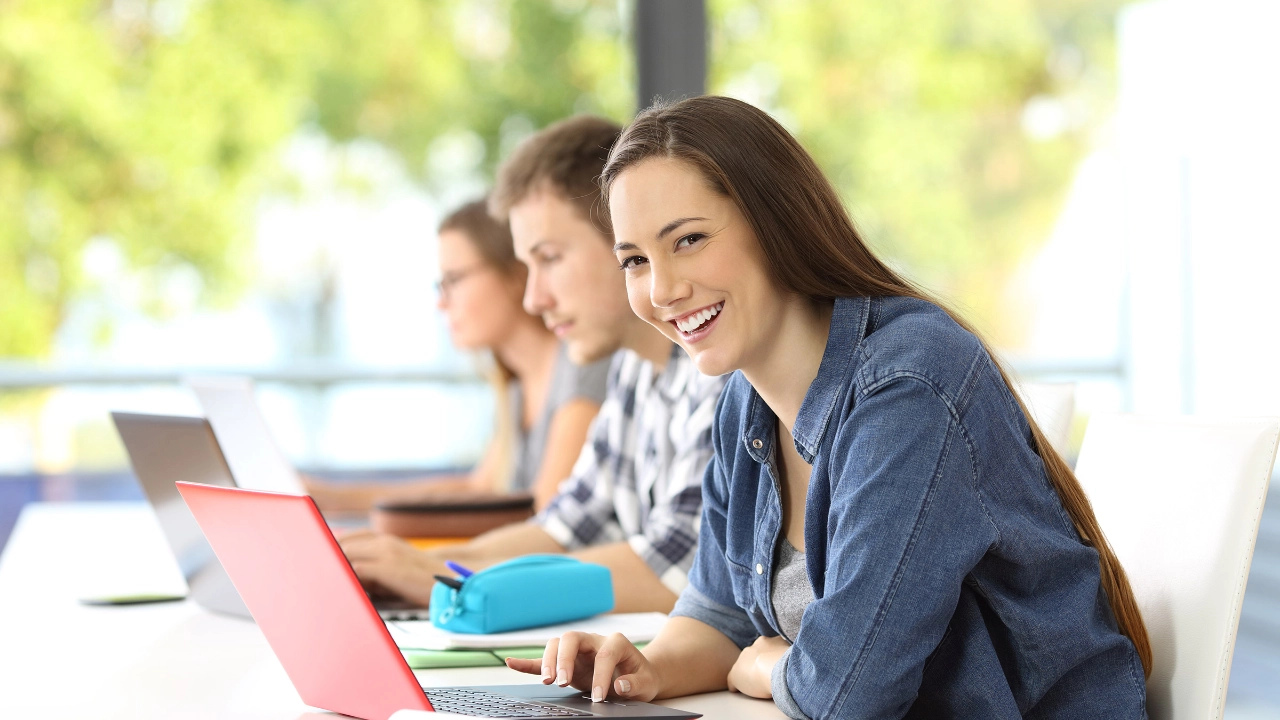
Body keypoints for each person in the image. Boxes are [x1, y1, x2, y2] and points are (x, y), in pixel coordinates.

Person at [505, 96, 1152, 718]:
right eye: (636, 260)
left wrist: (768, 668)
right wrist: (647, 668)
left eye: (690, 240)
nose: (663, 289)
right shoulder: (743, 403)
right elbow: (718, 614)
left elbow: (847, 696)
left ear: (775, 222)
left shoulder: (908, 388)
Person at [339, 116, 728, 613]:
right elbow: (563, 526)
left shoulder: (717, 371)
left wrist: (450, 580)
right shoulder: (635, 371)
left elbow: (679, 571)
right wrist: (416, 564)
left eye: (550, 258)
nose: (534, 298)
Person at [306, 199, 608, 512]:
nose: (442, 303)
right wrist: (331, 498)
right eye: (441, 285)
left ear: (515, 272)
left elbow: (544, 517)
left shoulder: (581, 364)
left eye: (454, 281)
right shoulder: (516, 387)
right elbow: (478, 488)